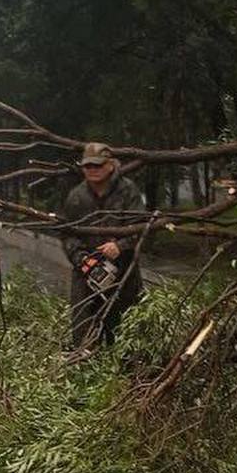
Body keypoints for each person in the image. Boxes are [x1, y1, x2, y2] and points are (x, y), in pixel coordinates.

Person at [60, 143, 146, 349]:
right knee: (83, 326)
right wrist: (81, 258)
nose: (92, 170)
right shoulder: (76, 196)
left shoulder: (128, 190)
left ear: (110, 165)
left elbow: (141, 226)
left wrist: (121, 245)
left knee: (125, 326)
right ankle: (85, 363)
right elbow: (67, 233)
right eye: (88, 166)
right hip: (87, 271)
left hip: (123, 271)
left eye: (97, 165)